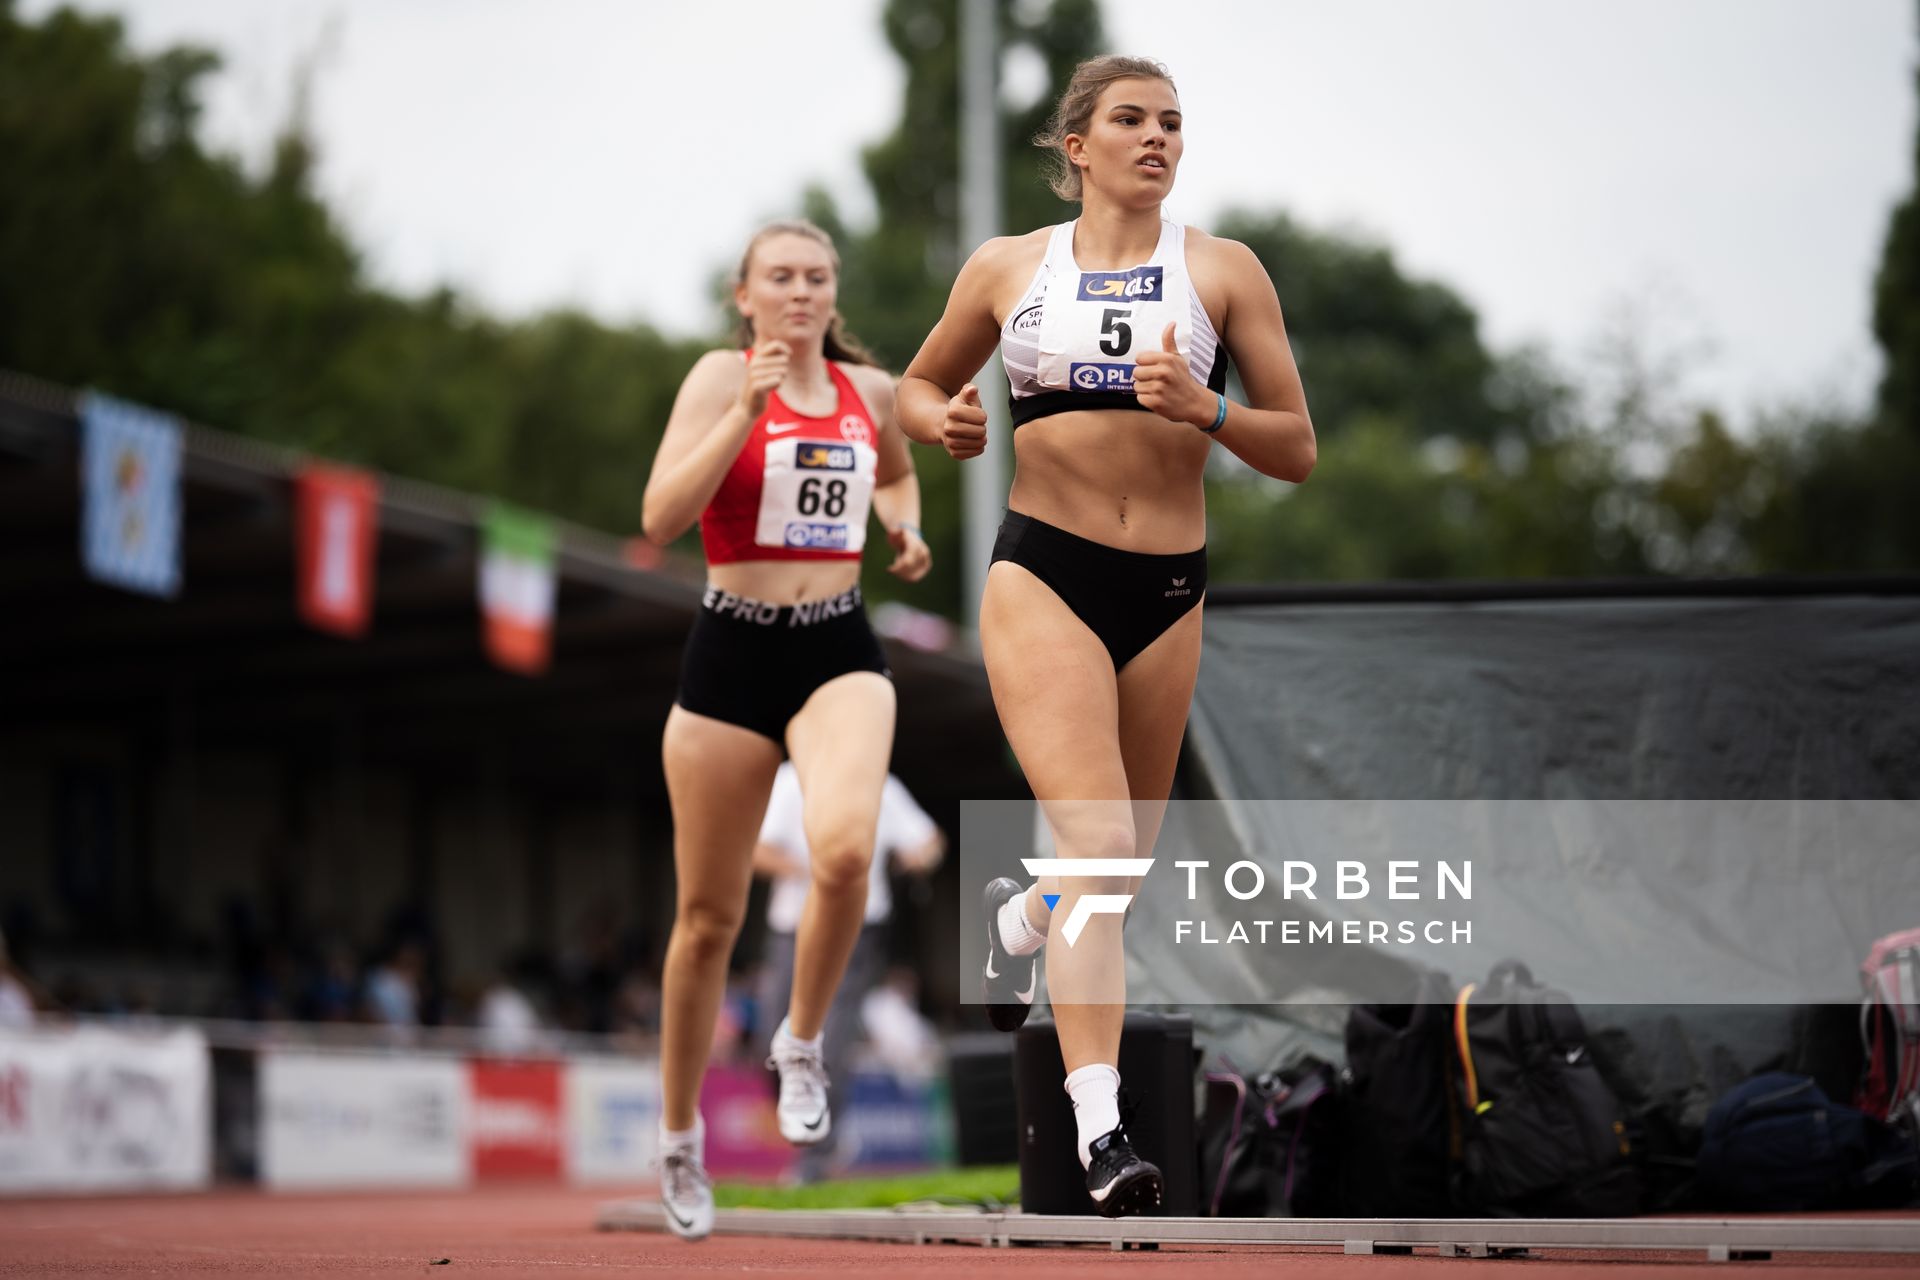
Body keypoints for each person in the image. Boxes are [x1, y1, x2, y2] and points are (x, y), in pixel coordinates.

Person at [898, 55, 1315, 1218]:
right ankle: (1104, 1130)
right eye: (1131, 119)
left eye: (1173, 122)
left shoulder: (1224, 272)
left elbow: (1296, 443)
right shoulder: (1008, 268)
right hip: (1046, 575)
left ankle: (1017, 917)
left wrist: (1211, 409)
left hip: (1169, 589)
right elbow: (914, 390)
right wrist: (950, 418)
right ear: (1076, 145)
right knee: (1092, 836)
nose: (1158, 137)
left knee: (1113, 868)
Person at [640, 219, 932, 1241]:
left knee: (847, 848)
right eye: (781, 277)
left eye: (816, 276)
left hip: (835, 644)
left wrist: (906, 523)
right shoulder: (719, 378)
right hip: (729, 651)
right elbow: (659, 513)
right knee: (708, 922)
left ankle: (801, 1040)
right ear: (746, 294)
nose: (800, 291)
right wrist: (746, 415)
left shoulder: (872, 391)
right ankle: (679, 1136)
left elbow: (893, 466)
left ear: (831, 291)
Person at [752, 761, 945, 1182]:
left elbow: (929, 840)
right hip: (792, 927)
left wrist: (916, 856)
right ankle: (811, 1127)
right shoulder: (789, 781)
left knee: (832, 1037)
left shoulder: (879, 783)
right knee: (768, 1034)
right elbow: (757, 848)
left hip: (858, 928)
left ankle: (817, 1157)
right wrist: (819, 875)